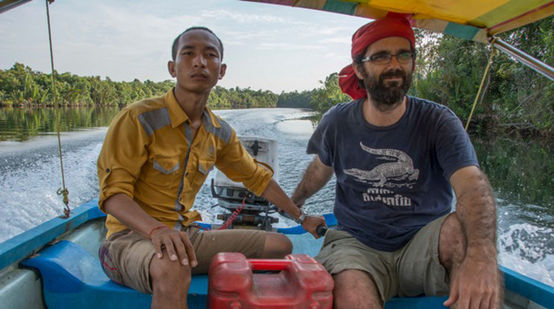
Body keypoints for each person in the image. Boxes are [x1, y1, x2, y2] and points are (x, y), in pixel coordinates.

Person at [97, 26, 326, 309]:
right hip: (131, 239)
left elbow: (258, 179)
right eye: (188, 54)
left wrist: (301, 216)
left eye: (210, 55)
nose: (199, 62)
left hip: (186, 236)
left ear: (222, 71)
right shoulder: (138, 119)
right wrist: (156, 231)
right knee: (172, 264)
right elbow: (113, 196)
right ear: (172, 67)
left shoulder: (218, 133)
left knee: (281, 246)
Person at [291, 16, 501, 309]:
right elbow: (319, 170)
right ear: (360, 69)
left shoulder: (438, 120)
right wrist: (294, 202)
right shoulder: (337, 121)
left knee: (461, 232)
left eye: (403, 54)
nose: (394, 64)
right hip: (357, 245)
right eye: (380, 56)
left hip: (422, 243)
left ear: (413, 63)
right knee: (350, 290)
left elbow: (472, 186)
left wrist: (483, 255)